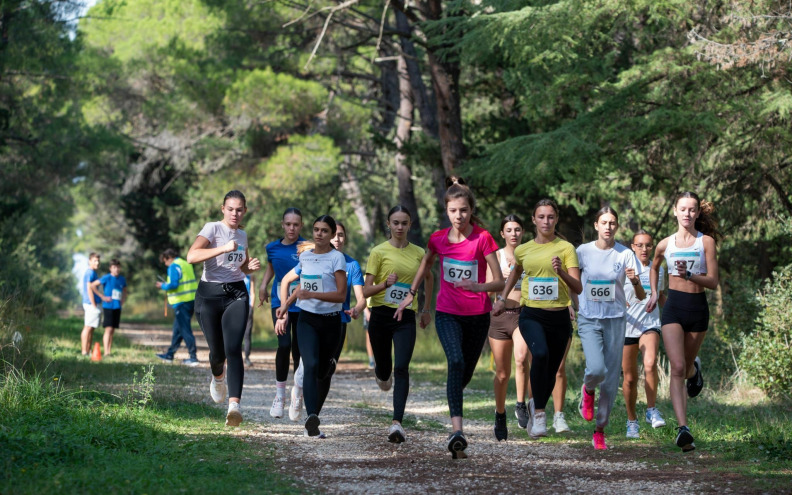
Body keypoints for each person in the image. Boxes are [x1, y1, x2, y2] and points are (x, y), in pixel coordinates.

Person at [395, 177, 504, 459]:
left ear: (470, 210)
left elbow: (499, 281)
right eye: (454, 211)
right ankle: (458, 432)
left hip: (478, 316)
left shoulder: (483, 238)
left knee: (464, 373)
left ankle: (455, 408)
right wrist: (413, 293)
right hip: (447, 313)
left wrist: (478, 287)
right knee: (455, 361)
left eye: (464, 210)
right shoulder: (437, 239)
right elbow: (425, 264)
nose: (459, 216)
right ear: (447, 211)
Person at [493, 199, 581, 441]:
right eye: (541, 217)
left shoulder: (566, 249)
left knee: (551, 370)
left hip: (559, 317)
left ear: (556, 219)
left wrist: (561, 271)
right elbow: (515, 274)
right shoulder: (523, 250)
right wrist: (501, 299)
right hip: (532, 314)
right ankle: (539, 412)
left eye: (550, 217)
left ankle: (534, 406)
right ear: (533, 220)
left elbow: (578, 287)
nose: (546, 221)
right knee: (539, 354)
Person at [646, 192, 721, 452]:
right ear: (675, 212)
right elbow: (654, 267)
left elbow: (713, 282)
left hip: (698, 308)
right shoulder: (665, 245)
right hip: (674, 309)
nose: (687, 214)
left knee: (686, 366)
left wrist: (690, 274)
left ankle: (695, 370)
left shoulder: (706, 243)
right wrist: (656, 292)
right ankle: (683, 429)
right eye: (683, 209)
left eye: (692, 210)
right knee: (676, 367)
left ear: (698, 213)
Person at [187, 190, 261, 426]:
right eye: (230, 209)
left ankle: (234, 407)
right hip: (209, 295)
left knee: (233, 349)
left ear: (244, 211)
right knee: (217, 353)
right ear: (223, 209)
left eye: (239, 209)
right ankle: (218, 377)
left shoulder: (243, 235)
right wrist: (222, 248)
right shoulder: (212, 228)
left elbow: (242, 267)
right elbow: (192, 256)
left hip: (236, 293)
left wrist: (251, 266)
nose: (235, 213)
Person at [576, 207, 645, 450]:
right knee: (596, 369)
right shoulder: (582, 252)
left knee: (611, 378)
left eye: (612, 223)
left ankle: (600, 429)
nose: (608, 226)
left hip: (616, 320)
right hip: (588, 318)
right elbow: (574, 283)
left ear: (617, 226)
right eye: (604, 222)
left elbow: (640, 294)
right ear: (596, 225)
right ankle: (587, 388)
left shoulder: (625, 254)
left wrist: (635, 280)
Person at [363, 206, 433, 444]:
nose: (400, 227)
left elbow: (429, 277)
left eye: (404, 223)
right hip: (381, 315)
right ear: (389, 224)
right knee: (385, 371)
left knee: (402, 367)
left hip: (406, 318)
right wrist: (384, 285)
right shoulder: (378, 252)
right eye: (396, 223)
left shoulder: (418, 252)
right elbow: (365, 290)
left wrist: (425, 309)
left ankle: (396, 423)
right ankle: (382, 373)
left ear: (410, 224)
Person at [276, 215, 347, 438]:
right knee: (311, 363)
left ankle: (312, 412)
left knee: (324, 370)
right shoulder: (305, 257)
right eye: (316, 229)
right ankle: (312, 418)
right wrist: (285, 306)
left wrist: (312, 293)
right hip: (307, 319)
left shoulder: (337, 258)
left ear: (332, 234)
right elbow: (298, 288)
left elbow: (341, 295)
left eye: (324, 231)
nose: (318, 234)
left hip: (331, 321)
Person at [487, 215, 530, 441]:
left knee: (522, 358)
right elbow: (486, 289)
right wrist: (502, 280)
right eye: (509, 230)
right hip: (500, 316)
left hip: (523, 314)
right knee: (502, 374)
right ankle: (500, 413)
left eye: (517, 229)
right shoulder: (496, 256)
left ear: (522, 232)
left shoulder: (529, 255)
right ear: (502, 234)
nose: (514, 233)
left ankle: (521, 404)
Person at [258, 208, 305, 420]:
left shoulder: (308, 247)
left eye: (296, 224)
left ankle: (297, 393)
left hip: (303, 304)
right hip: (279, 304)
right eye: (288, 224)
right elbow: (272, 266)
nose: (291, 228)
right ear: (282, 225)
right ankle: (279, 396)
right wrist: (263, 285)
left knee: (298, 350)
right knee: (284, 345)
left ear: (301, 226)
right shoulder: (272, 248)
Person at [622, 230, 667, 439]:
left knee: (650, 363)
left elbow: (662, 296)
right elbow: (614, 292)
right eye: (639, 245)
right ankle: (632, 421)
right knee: (630, 378)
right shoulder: (625, 267)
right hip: (627, 326)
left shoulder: (658, 270)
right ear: (632, 246)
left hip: (650, 323)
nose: (644, 249)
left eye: (648, 245)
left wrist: (674, 319)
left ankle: (651, 410)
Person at [155, 248, 200, 366]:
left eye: (165, 261)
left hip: (182, 302)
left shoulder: (173, 266)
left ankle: (193, 357)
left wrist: (163, 286)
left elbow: (174, 285)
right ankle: (170, 354)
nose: (165, 264)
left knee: (185, 329)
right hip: (191, 299)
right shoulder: (186, 263)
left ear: (169, 258)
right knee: (178, 329)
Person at [81, 253, 108, 356]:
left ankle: (88, 350)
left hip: (93, 303)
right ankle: (84, 351)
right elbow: (89, 288)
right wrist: (93, 303)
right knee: (88, 327)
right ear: (89, 261)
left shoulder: (93, 273)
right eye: (95, 261)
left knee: (91, 327)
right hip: (90, 303)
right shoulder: (90, 273)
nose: (97, 263)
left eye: (98, 261)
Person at [99, 259, 127, 356]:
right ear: (110, 268)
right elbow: (93, 286)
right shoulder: (106, 278)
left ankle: (109, 351)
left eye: (118, 267)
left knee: (113, 330)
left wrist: (123, 300)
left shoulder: (122, 279)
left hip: (117, 306)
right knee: (108, 329)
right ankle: (106, 352)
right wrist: (102, 297)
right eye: (114, 267)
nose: (116, 269)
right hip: (108, 306)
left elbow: (125, 290)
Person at [243, 274, 255, 367]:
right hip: (236, 306)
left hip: (248, 306)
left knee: (247, 333)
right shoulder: (234, 272)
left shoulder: (250, 276)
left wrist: (251, 307)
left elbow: (252, 292)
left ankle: (247, 357)